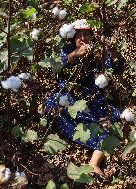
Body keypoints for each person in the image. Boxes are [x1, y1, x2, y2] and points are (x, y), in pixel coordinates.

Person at [45, 19, 124, 176]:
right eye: (79, 35)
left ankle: (94, 163)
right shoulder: (67, 50)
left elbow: (119, 67)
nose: (83, 39)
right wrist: (74, 55)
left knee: (111, 122)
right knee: (54, 103)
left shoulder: (100, 53)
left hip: (97, 104)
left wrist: (109, 48)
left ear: (92, 37)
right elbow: (55, 67)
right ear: (73, 38)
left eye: (87, 34)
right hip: (72, 102)